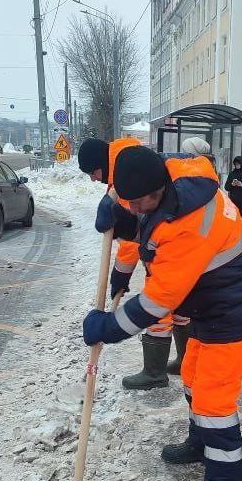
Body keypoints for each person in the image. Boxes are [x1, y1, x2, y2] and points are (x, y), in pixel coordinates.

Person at [82, 145, 242, 481]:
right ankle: (201, 441)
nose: (134, 208)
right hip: (212, 303)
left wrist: (108, 327)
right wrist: (120, 211)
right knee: (191, 376)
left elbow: (156, 303)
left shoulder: (189, 227)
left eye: (139, 203)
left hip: (234, 309)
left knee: (214, 401)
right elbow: (150, 220)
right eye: (129, 201)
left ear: (158, 190)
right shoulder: (176, 175)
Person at [78, 137, 187, 390]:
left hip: (165, 254)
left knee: (160, 310)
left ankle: (154, 373)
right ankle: (184, 360)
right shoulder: (129, 165)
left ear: (101, 164)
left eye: (93, 173)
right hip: (169, 253)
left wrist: (120, 273)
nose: (93, 179)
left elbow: (132, 241)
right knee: (181, 307)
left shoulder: (128, 178)